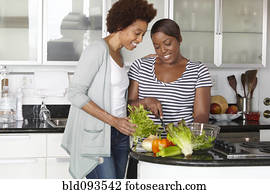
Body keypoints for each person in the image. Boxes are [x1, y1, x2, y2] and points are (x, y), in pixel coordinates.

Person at [61, 0, 156, 179]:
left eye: (143, 34)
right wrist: (114, 121)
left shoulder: (120, 55)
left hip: (120, 135)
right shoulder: (97, 50)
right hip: (97, 137)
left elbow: (116, 96)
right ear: (120, 25)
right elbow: (74, 93)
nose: (140, 40)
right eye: (137, 33)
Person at [128, 18, 212, 131]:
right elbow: (128, 107)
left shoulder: (198, 71)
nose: (162, 50)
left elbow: (201, 115)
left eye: (167, 43)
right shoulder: (140, 66)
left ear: (179, 39)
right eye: (157, 46)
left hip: (180, 145)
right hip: (146, 145)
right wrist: (145, 102)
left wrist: (185, 135)